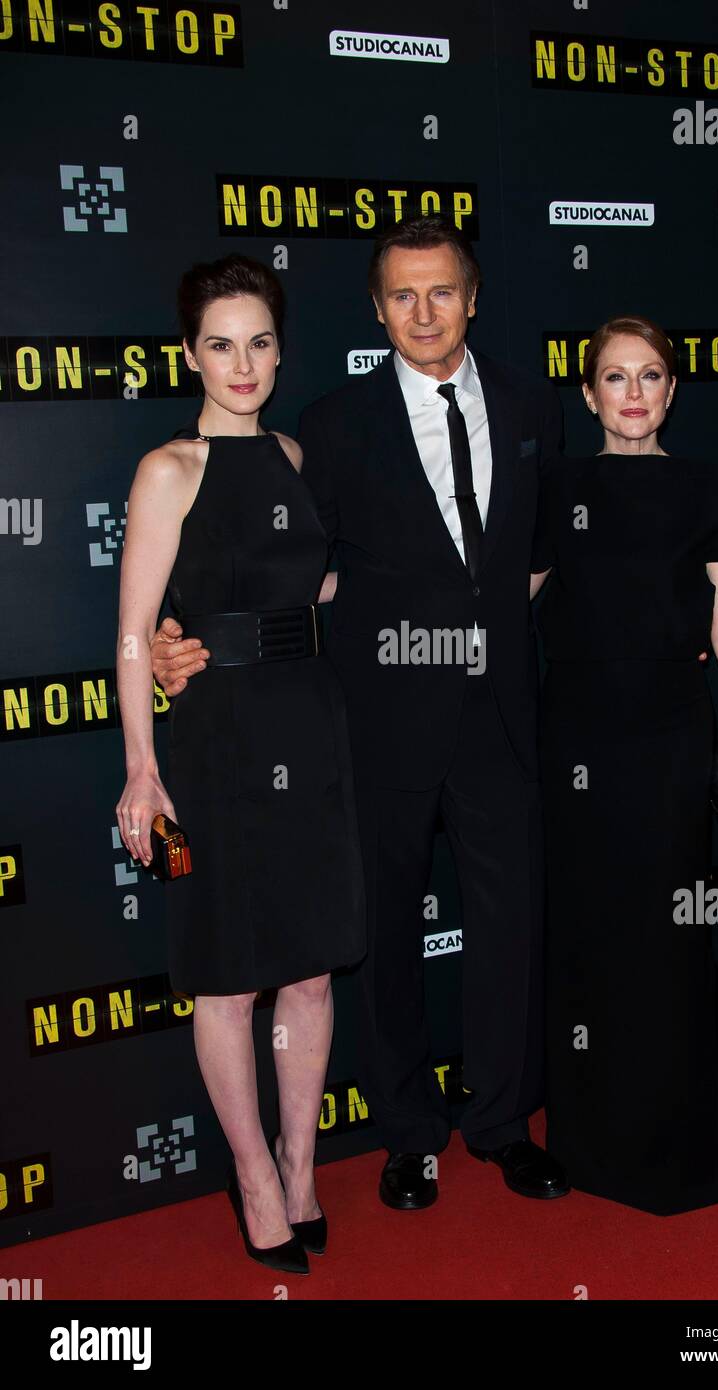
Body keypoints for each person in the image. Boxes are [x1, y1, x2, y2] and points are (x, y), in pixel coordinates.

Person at [151, 217, 569, 1210]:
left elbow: (543, 550)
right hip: (375, 717)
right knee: (379, 931)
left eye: (442, 291)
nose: (423, 313)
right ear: (377, 308)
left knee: (509, 922)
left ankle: (503, 1119)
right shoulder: (332, 428)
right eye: (402, 295)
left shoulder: (529, 404)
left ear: (473, 298)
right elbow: (289, 570)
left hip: (501, 708)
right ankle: (407, 1133)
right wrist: (183, 638)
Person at [115, 254, 365, 1271]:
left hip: (309, 728)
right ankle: (253, 1178)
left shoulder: (299, 458)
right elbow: (135, 633)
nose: (243, 362)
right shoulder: (169, 469)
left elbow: (324, 589)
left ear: (279, 346)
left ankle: (302, 1168)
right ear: (190, 354)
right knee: (224, 980)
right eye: (221, 343)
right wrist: (142, 766)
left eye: (259, 341)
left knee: (307, 973)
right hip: (212, 742)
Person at [529, 315, 718, 1215]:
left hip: (669, 734)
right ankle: (589, 1144)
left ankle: (672, 1144)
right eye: (614, 377)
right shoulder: (552, 490)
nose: (633, 393)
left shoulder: (711, 491)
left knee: (669, 938)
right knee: (588, 935)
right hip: (576, 736)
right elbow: (500, 599)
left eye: (651, 375)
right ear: (587, 394)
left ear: (671, 391)